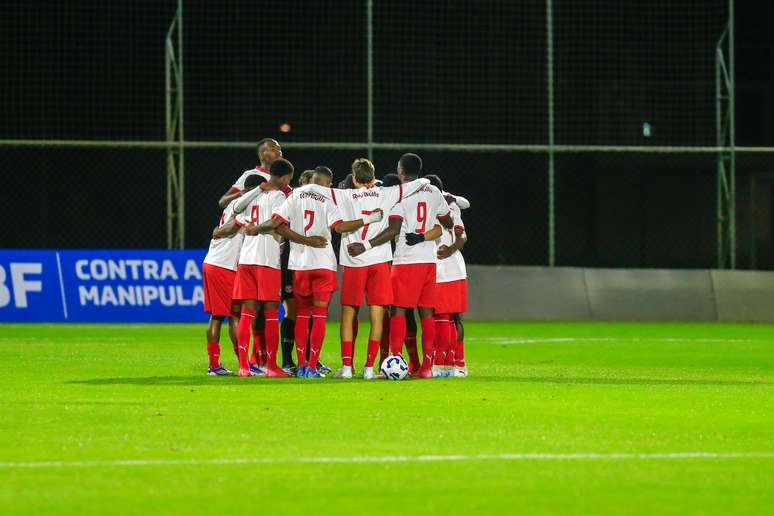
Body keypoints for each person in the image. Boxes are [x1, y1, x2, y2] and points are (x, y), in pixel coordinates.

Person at [252, 167, 383, 378]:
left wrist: (303, 240)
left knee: (302, 315)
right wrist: (368, 220)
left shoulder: (294, 195)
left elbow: (277, 224)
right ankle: (312, 366)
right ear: (327, 183)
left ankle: (302, 365)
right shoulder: (327, 199)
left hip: (300, 265)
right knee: (319, 317)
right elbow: (339, 228)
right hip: (323, 264)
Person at [219, 158, 326, 378]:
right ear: (286, 177)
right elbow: (279, 226)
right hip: (267, 261)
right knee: (269, 314)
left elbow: (235, 207)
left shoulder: (255, 196)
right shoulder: (280, 197)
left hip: (246, 260)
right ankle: (272, 366)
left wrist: (257, 189)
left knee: (247, 313)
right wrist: (307, 241)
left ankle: (243, 367)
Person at [349, 153, 452, 378]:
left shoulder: (399, 196)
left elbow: (393, 230)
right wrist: (428, 230)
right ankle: (427, 368)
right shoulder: (434, 191)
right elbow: (448, 221)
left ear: (401, 171)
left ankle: (393, 361)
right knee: (427, 314)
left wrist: (365, 245)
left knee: (398, 311)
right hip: (429, 260)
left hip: (407, 260)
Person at [332, 158, 430, 379]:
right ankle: (369, 369)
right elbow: (419, 183)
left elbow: (318, 194)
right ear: (373, 176)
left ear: (354, 178)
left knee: (348, 315)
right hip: (379, 261)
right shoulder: (387, 193)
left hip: (354, 261)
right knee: (378, 315)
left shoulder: (343, 195)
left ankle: (347, 368)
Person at [202, 174, 265, 376]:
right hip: (223, 266)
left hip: (217, 262)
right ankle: (241, 363)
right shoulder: (243, 205)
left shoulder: (236, 204)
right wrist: (219, 231)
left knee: (219, 316)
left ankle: (217, 364)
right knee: (234, 315)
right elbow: (227, 229)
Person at [424, 174, 468, 378]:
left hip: (441, 267)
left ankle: (440, 364)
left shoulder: (433, 206)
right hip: (456, 267)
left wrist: (448, 250)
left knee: (440, 317)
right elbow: (462, 235)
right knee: (453, 318)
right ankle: (457, 363)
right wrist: (452, 249)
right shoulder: (452, 205)